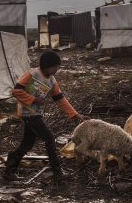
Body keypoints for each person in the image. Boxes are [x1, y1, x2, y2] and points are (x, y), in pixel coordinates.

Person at [5, 50, 86, 182]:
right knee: (49, 139)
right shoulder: (33, 73)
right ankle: (57, 172)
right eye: (56, 66)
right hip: (27, 113)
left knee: (27, 144)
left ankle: (10, 165)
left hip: (35, 113)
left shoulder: (52, 81)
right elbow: (16, 90)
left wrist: (75, 114)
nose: (57, 69)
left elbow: (60, 99)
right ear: (48, 65)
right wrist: (33, 100)